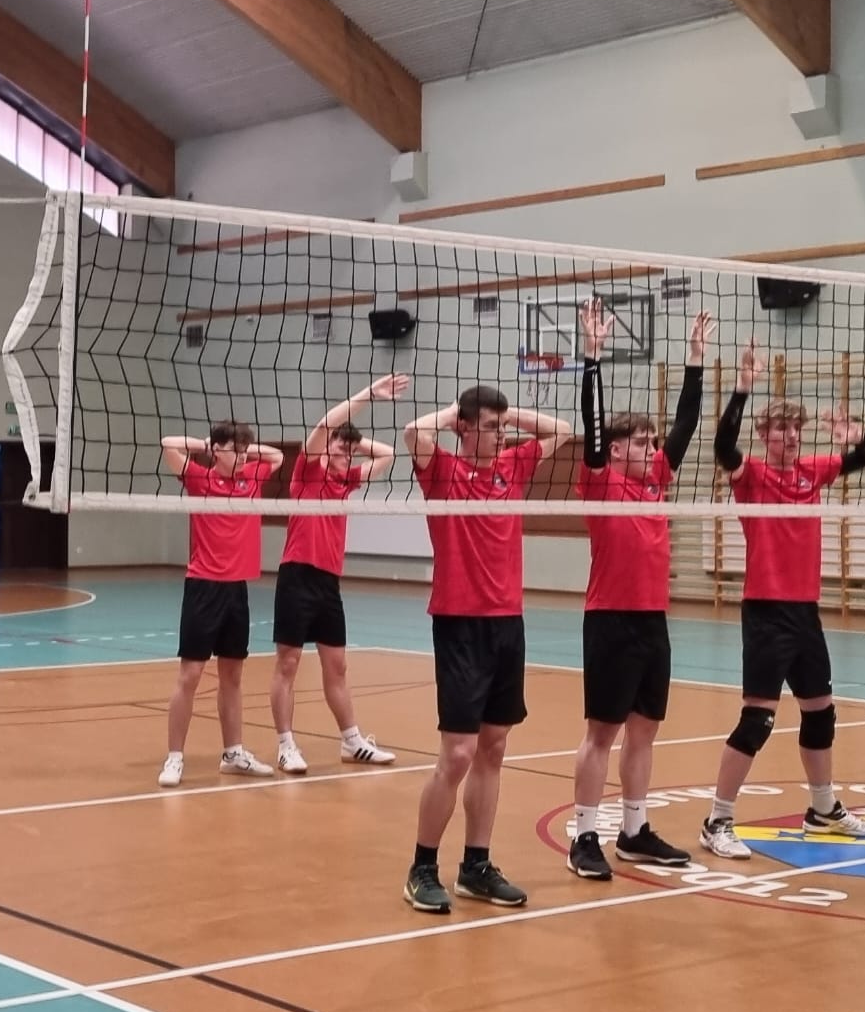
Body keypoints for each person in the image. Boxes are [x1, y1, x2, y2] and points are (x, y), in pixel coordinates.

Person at [700, 343, 865, 858]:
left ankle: (823, 810)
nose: (791, 436)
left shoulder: (813, 471)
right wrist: (742, 388)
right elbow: (722, 445)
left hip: (805, 610)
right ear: (764, 435)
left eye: (797, 429)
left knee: (821, 713)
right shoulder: (752, 476)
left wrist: (855, 436)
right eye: (781, 429)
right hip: (766, 610)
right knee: (757, 720)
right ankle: (717, 821)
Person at [402, 383, 573, 913]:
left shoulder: (513, 466)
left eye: (504, 428)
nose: (502, 435)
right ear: (463, 428)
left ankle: (475, 866)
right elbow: (412, 432)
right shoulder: (443, 470)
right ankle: (421, 868)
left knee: (493, 748)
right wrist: (456, 412)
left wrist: (507, 414)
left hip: (507, 623)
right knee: (458, 753)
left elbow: (564, 431)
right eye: (491, 427)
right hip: (459, 623)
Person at [565, 300, 713, 880]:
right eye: (642, 441)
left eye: (652, 442)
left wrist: (695, 362)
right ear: (617, 447)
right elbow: (593, 425)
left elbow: (686, 426)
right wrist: (593, 356)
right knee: (601, 732)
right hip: (611, 620)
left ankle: (633, 831)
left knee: (645, 730)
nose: (653, 448)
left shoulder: (655, 479)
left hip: (653, 620)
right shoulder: (600, 481)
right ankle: (585, 836)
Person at [271, 374, 410, 774]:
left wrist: (352, 443)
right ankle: (286, 745)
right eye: (340, 447)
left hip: (328, 583)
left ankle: (352, 741)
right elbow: (322, 427)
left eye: (350, 451)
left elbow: (386, 455)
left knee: (337, 667)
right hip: (297, 576)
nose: (347, 455)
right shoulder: (307, 472)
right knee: (288, 664)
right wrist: (367, 396)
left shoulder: (345, 480)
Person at [159, 420, 284, 787]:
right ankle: (174, 758)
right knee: (190, 676)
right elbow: (168, 445)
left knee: (232, 677)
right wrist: (208, 445)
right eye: (236, 450)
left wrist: (242, 449)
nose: (244, 456)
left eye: (245, 450)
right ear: (216, 451)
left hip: (236, 590)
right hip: (203, 587)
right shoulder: (200, 479)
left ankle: (233, 754)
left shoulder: (252, 478)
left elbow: (276, 457)